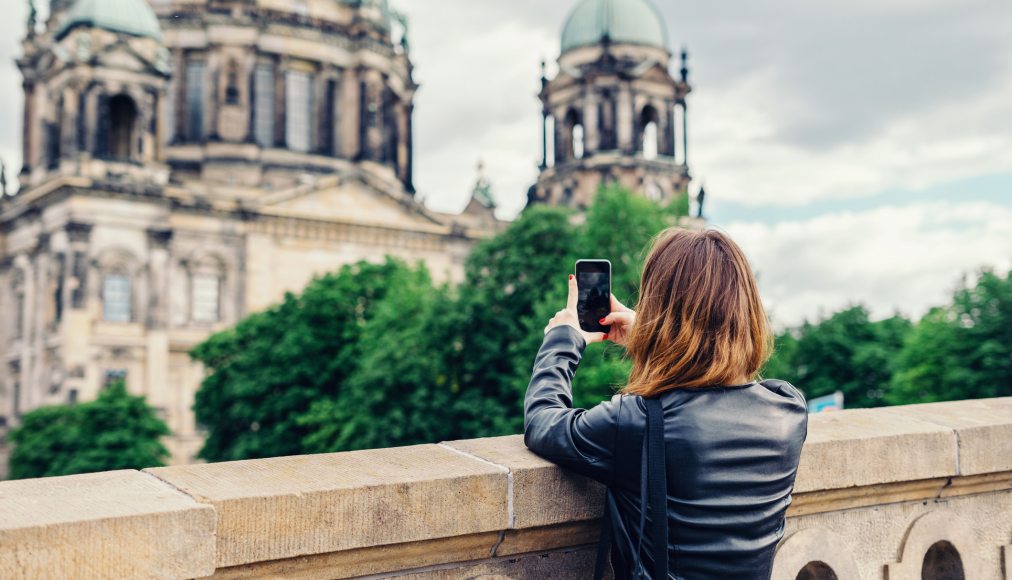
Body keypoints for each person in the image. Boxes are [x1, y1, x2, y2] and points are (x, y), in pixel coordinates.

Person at [523, 227, 808, 579]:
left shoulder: (638, 422)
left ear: (661, 310)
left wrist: (563, 339)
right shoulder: (789, 410)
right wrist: (651, 338)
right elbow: (724, 377)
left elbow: (542, 422)